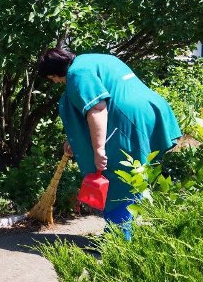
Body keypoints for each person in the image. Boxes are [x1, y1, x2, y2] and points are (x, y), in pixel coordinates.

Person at [37, 48, 181, 239]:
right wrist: (74, 139)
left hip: (129, 123)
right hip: (152, 112)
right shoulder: (94, 59)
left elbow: (97, 108)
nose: (56, 82)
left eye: (52, 79)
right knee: (135, 173)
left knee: (116, 177)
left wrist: (99, 150)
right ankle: (134, 231)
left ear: (53, 73)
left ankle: (119, 239)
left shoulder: (77, 73)